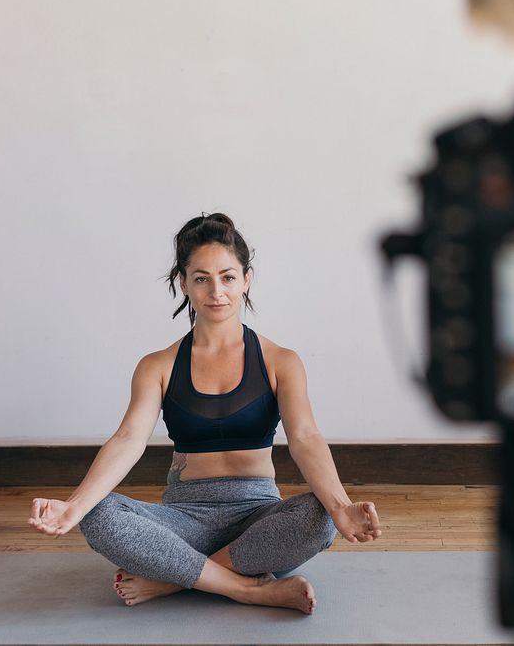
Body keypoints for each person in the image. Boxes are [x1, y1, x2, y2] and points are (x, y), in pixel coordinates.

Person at [27, 212, 382, 614]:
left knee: (319, 517)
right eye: (201, 278)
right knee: (99, 514)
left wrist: (340, 506)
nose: (217, 291)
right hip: (184, 518)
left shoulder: (280, 361)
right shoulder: (156, 366)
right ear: (184, 284)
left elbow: (305, 439)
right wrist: (74, 507)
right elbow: (128, 439)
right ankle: (247, 589)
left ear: (246, 279)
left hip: (258, 515)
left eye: (228, 277)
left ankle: (173, 582)